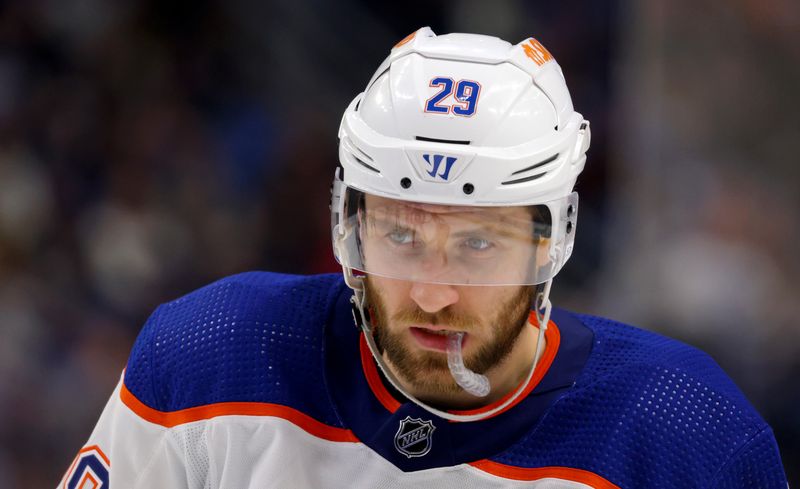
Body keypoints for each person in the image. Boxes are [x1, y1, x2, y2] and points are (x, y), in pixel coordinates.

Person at [59, 27, 788, 488]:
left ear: (551, 239)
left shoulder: (686, 437)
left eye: (477, 244)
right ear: (348, 227)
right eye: (401, 236)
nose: (433, 292)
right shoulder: (208, 358)